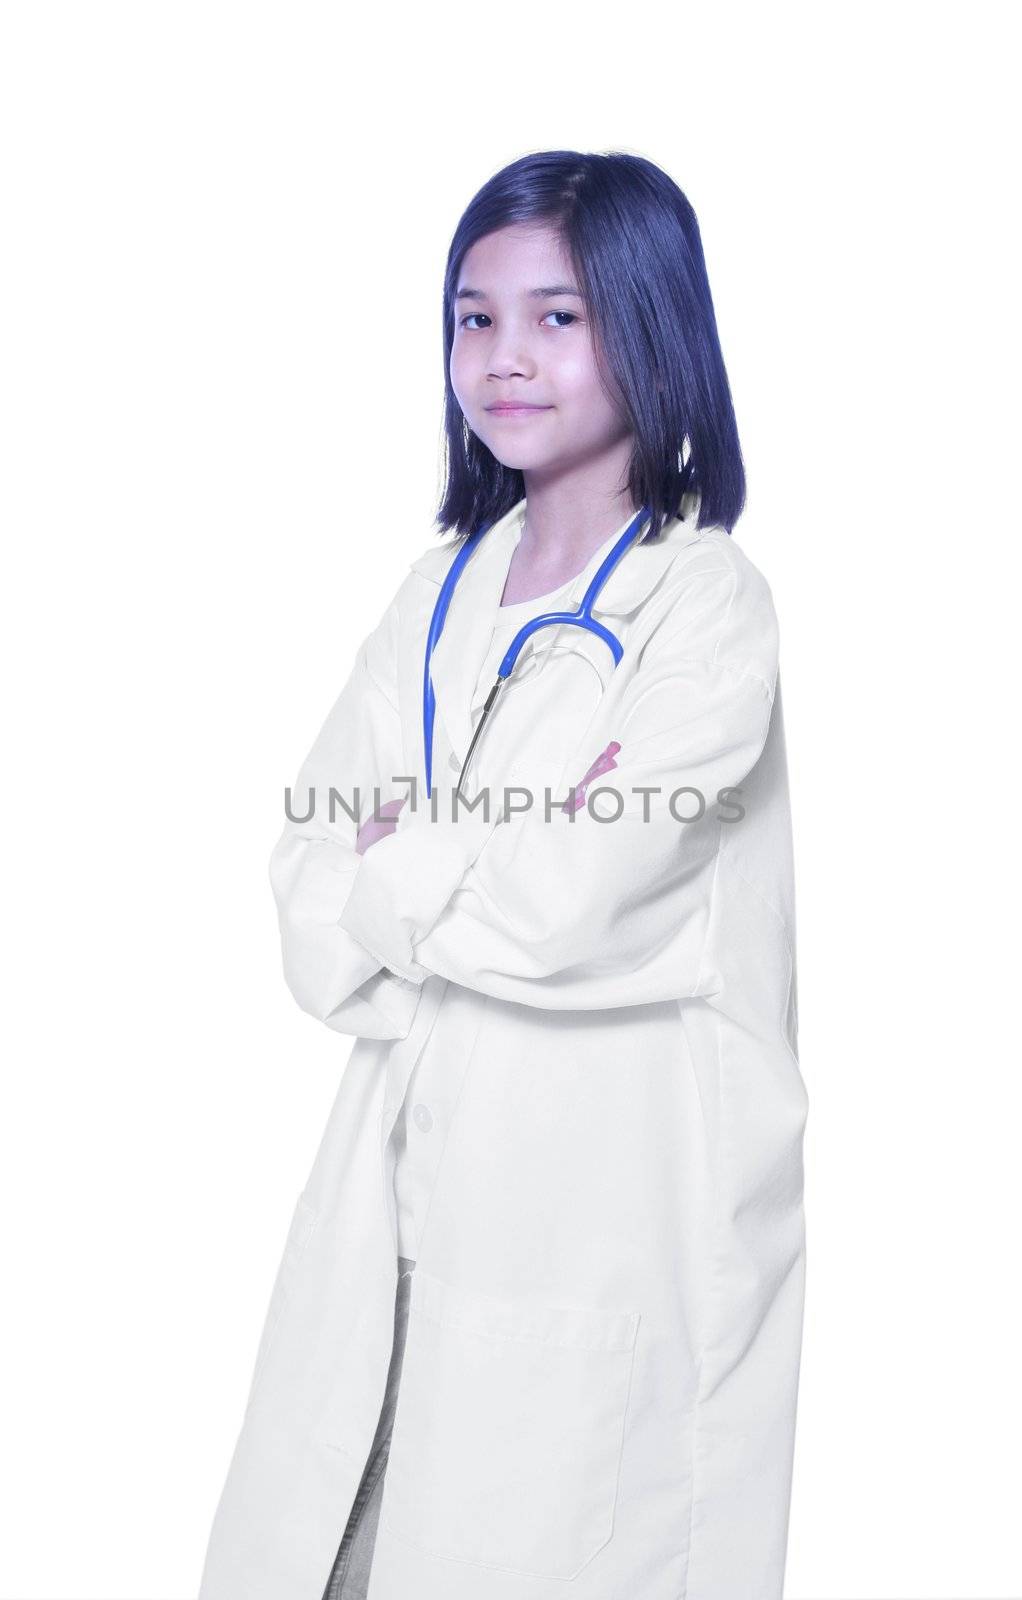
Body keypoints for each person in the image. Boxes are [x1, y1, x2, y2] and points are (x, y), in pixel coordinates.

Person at [198, 148, 809, 1600]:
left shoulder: (702, 607)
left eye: (557, 316)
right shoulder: (440, 589)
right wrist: (457, 866)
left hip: (606, 1209)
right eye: (474, 319)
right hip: (399, 1186)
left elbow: (566, 899)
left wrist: (398, 871)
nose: (503, 358)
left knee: (548, 1535)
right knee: (335, 1540)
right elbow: (302, 888)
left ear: (651, 330)